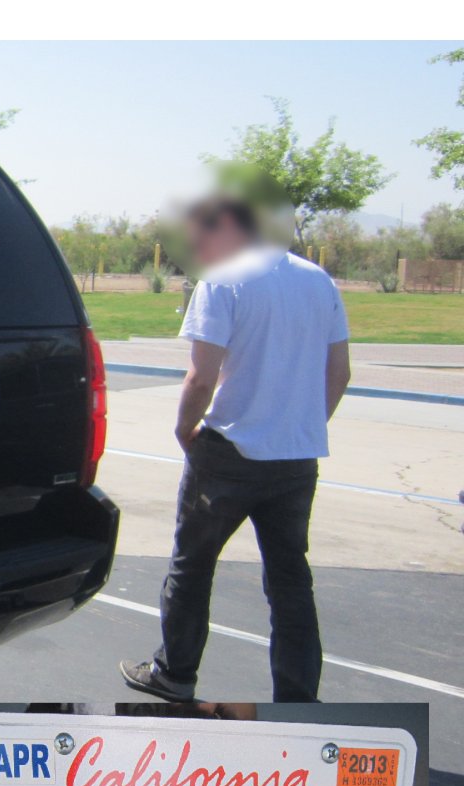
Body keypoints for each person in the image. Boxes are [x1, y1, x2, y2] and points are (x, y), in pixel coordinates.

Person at [120, 195, 352, 703]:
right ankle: (297, 698)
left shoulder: (224, 280)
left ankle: (175, 673)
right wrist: (301, 425)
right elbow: (340, 373)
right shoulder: (319, 282)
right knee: (291, 580)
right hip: (295, 459)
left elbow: (201, 377)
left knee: (193, 564)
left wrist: (186, 430)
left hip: (228, 451)